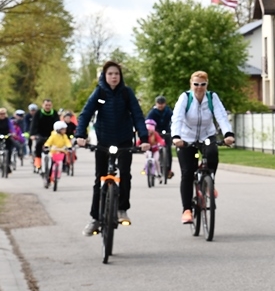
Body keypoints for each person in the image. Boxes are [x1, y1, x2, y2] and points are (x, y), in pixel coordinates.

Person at [75, 61, 151, 234]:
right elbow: (86, 113)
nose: (114, 77)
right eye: (110, 74)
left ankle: (122, 209)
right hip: (103, 141)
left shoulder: (126, 93)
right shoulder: (99, 92)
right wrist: (80, 135)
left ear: (120, 75)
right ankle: (95, 218)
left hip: (124, 140)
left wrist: (144, 138)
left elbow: (138, 115)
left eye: (116, 73)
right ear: (104, 75)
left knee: (124, 174)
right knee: (99, 178)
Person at [170, 71, 235, 225]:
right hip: (186, 137)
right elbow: (177, 118)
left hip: (207, 135)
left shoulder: (212, 97)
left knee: (212, 153)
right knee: (187, 173)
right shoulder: (185, 97)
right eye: (196, 84)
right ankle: (187, 210)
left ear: (207, 85)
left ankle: (209, 182)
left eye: (203, 84)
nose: (199, 87)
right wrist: (176, 137)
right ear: (191, 84)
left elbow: (221, 116)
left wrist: (228, 134)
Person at [147, 95, 174, 179]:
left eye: (162, 104)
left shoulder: (168, 111)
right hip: (156, 132)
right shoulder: (153, 112)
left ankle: (168, 170)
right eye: (159, 104)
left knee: (168, 150)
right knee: (154, 149)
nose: (160, 105)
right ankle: (152, 165)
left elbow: (174, 120)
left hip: (167, 131)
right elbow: (148, 122)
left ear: (165, 104)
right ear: (156, 104)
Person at [29, 99, 58, 173]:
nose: (47, 107)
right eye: (46, 105)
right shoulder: (38, 113)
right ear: (43, 105)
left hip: (51, 134)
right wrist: (32, 134)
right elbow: (33, 124)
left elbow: (57, 124)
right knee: (38, 145)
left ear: (51, 106)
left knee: (56, 147)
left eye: (49, 105)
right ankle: (38, 163)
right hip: (40, 133)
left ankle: (57, 164)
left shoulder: (54, 113)